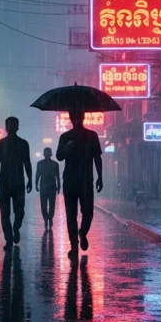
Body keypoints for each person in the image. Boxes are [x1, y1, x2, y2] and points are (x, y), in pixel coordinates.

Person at [56, 110, 103, 257]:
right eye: (73, 117)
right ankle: (74, 245)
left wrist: (100, 176)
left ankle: (82, 233)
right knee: (71, 214)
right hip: (69, 180)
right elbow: (59, 156)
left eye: (78, 116)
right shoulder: (65, 137)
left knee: (88, 213)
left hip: (86, 180)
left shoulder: (92, 135)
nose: (75, 119)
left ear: (82, 118)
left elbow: (97, 157)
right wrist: (66, 148)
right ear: (70, 119)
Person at [0, 116, 32, 250]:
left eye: (14, 126)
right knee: (5, 212)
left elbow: (27, 162)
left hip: (18, 182)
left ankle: (16, 228)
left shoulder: (23, 144)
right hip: (4, 182)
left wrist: (30, 179)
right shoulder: (0, 144)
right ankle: (8, 238)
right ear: (6, 128)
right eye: (10, 126)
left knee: (19, 211)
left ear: (17, 128)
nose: (12, 128)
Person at [35, 146, 61, 229]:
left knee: (50, 204)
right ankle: (47, 219)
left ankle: (49, 218)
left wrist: (59, 186)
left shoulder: (53, 164)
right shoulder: (41, 164)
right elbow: (37, 175)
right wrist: (36, 184)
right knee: (45, 204)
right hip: (46, 186)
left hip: (48, 186)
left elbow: (57, 176)